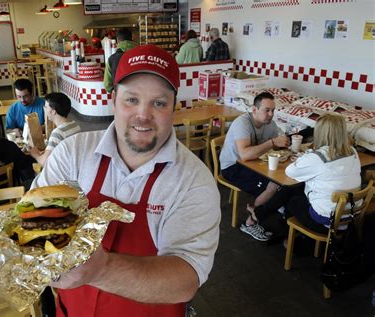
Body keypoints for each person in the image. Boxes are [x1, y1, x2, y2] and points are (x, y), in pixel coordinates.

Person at [32, 44, 221, 317]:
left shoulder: (193, 181)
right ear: (113, 100)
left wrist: (101, 269)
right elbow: (34, 223)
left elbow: (185, 278)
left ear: (173, 107)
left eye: (158, 103)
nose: (143, 115)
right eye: (131, 100)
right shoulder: (72, 153)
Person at [247, 114, 361, 234]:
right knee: (295, 190)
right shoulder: (352, 152)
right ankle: (260, 215)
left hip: (326, 221)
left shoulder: (318, 157)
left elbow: (290, 171)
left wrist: (310, 152)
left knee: (290, 197)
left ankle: (288, 235)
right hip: (350, 215)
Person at [220, 92, 289, 241]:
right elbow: (244, 155)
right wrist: (272, 143)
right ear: (254, 110)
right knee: (272, 186)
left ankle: (272, 208)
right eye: (267, 110)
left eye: (273, 110)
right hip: (232, 166)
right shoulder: (242, 123)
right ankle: (249, 223)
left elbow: (275, 145)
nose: (271, 114)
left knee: (283, 179)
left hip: (254, 163)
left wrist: (284, 143)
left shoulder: (270, 124)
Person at [29, 92, 81, 167]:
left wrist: (35, 154)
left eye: (45, 106)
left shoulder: (58, 133)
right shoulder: (75, 124)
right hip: (73, 164)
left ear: (53, 112)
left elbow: (44, 162)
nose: (43, 108)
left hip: (64, 170)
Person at [103, 27, 138, 93]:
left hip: (121, 97)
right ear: (132, 38)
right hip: (141, 95)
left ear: (118, 40)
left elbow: (107, 85)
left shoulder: (112, 59)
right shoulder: (143, 54)